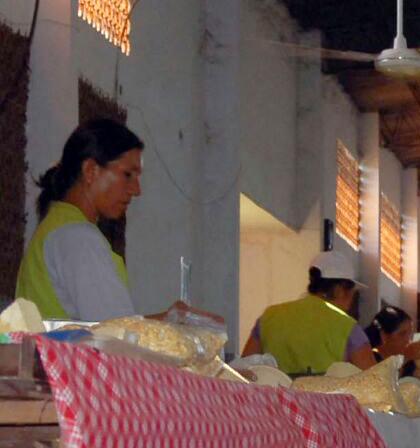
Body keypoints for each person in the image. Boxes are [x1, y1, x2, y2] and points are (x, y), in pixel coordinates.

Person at [17, 119, 218, 324]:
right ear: (90, 170)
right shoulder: (78, 238)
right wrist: (172, 325)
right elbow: (116, 335)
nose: (136, 190)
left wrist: (169, 319)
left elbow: (106, 327)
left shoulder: (56, 227)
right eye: (127, 174)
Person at [241, 251, 375, 376]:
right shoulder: (347, 327)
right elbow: (371, 381)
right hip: (326, 394)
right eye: (352, 293)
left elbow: (245, 370)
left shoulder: (269, 317)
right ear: (340, 289)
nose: (351, 302)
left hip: (274, 393)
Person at [365, 305, 420, 377]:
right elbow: (381, 380)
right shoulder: (370, 358)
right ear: (384, 336)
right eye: (402, 334)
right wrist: (405, 358)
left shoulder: (409, 362)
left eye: (410, 335)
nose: (408, 340)